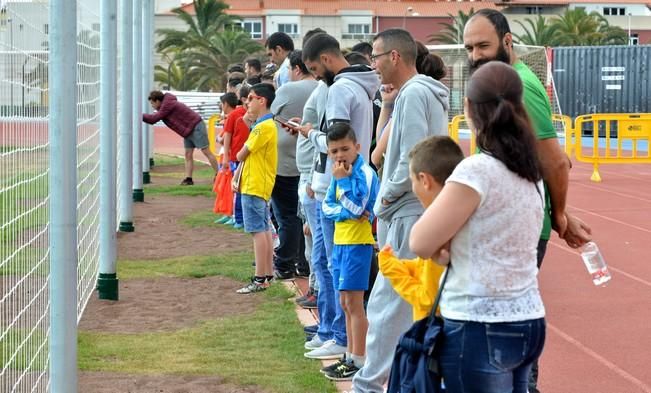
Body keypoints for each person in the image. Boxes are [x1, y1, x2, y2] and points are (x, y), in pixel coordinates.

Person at [463, 10, 592, 392]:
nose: (474, 55)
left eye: (483, 45)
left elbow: (554, 160)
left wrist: (561, 214)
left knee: (505, 338)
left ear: (507, 42)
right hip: (506, 222)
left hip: (514, 229)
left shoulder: (518, 83)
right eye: (469, 47)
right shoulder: (500, 82)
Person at [410, 60, 546, 393]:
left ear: (468, 108)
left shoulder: (476, 172)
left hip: (479, 322)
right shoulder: (531, 171)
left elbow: (420, 242)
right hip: (528, 316)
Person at [352, 29, 450, 393]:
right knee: (410, 305)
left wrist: (386, 197)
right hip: (417, 209)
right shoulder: (423, 92)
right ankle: (401, 382)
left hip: (407, 211)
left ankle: (368, 385)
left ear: (394, 56)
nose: (372, 65)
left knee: (387, 305)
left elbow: (411, 153)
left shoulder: (414, 94)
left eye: (375, 57)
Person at [298, 32, 380, 362]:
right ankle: (333, 331)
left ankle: (339, 335)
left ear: (328, 60)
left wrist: (310, 135)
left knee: (330, 266)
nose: (316, 76)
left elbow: (338, 144)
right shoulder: (360, 84)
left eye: (315, 69)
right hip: (338, 182)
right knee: (328, 265)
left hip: (337, 185)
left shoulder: (340, 90)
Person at [378, 136, 462, 321]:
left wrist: (393, 270)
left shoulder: (440, 227)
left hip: (438, 335)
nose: (413, 188)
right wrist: (402, 265)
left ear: (424, 180)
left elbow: (427, 299)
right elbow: (428, 271)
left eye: (412, 181)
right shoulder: (456, 215)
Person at [321, 123, 379, 381]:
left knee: (355, 304)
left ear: (357, 147)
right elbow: (327, 208)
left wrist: (343, 186)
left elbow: (358, 209)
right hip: (341, 243)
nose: (339, 155)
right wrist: (345, 209)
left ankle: (360, 358)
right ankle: (349, 355)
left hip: (358, 245)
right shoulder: (337, 173)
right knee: (345, 303)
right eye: (334, 151)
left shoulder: (363, 173)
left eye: (344, 149)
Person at [269, 50, 318, 280]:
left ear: (298, 68)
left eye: (289, 69)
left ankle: (286, 263)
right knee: (306, 215)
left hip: (286, 162)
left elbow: (271, 115)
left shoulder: (288, 90)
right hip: (311, 163)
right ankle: (303, 262)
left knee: (287, 215)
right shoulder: (322, 88)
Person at [234, 83, 278, 294]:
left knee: (257, 231)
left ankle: (260, 278)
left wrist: (248, 126)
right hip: (260, 184)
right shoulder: (267, 125)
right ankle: (267, 274)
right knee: (264, 229)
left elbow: (241, 154)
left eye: (251, 98)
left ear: (262, 100)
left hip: (254, 184)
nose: (247, 102)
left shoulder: (262, 127)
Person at [142, 90, 219, 185]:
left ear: (157, 101)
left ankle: (219, 174)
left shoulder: (166, 106)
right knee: (188, 154)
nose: (152, 106)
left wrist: (138, 115)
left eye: (152, 103)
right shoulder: (166, 106)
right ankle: (188, 179)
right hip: (187, 130)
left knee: (206, 151)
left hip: (196, 126)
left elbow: (153, 119)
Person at [217, 92, 248, 228]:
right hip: (235, 157)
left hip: (242, 157)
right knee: (234, 187)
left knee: (238, 187)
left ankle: (237, 217)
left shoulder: (247, 115)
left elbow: (225, 137)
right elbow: (227, 136)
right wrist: (226, 158)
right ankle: (235, 216)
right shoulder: (235, 115)